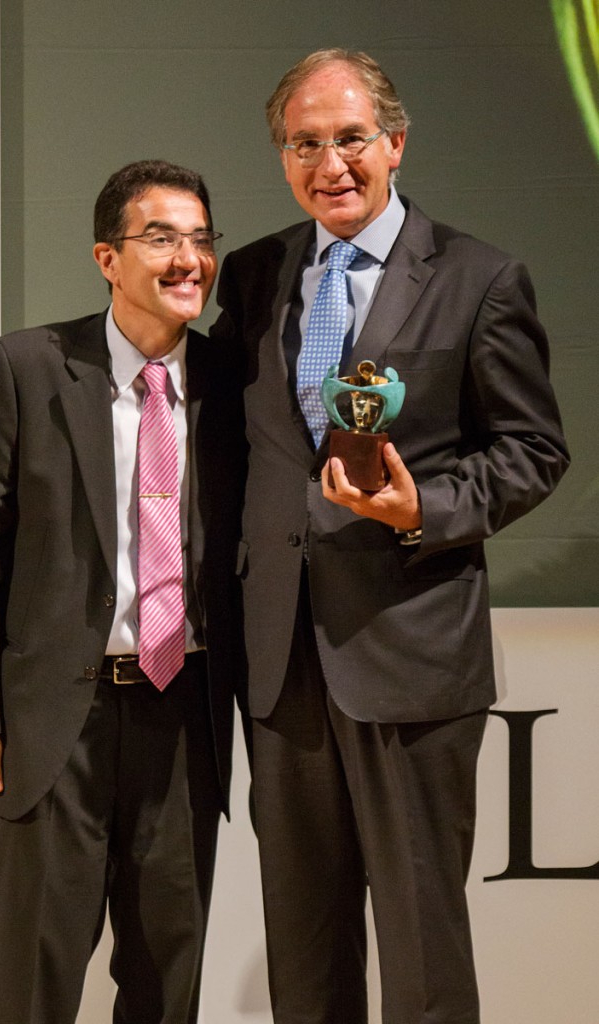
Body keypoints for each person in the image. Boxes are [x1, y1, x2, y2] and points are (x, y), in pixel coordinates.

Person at [212, 49, 570, 1024]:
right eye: (305, 143)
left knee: (418, 950)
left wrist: (422, 509)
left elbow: (534, 451)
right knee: (304, 947)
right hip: (282, 664)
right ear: (283, 158)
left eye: (350, 138)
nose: (330, 162)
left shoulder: (480, 278)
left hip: (409, 654)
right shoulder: (252, 276)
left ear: (395, 143)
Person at [0, 159, 244, 1024]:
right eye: (162, 238)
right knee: (32, 981)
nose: (189, 259)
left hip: (183, 718)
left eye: (202, 239)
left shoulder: (235, 384)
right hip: (47, 726)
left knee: (166, 985)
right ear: (107, 257)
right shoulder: (24, 367)